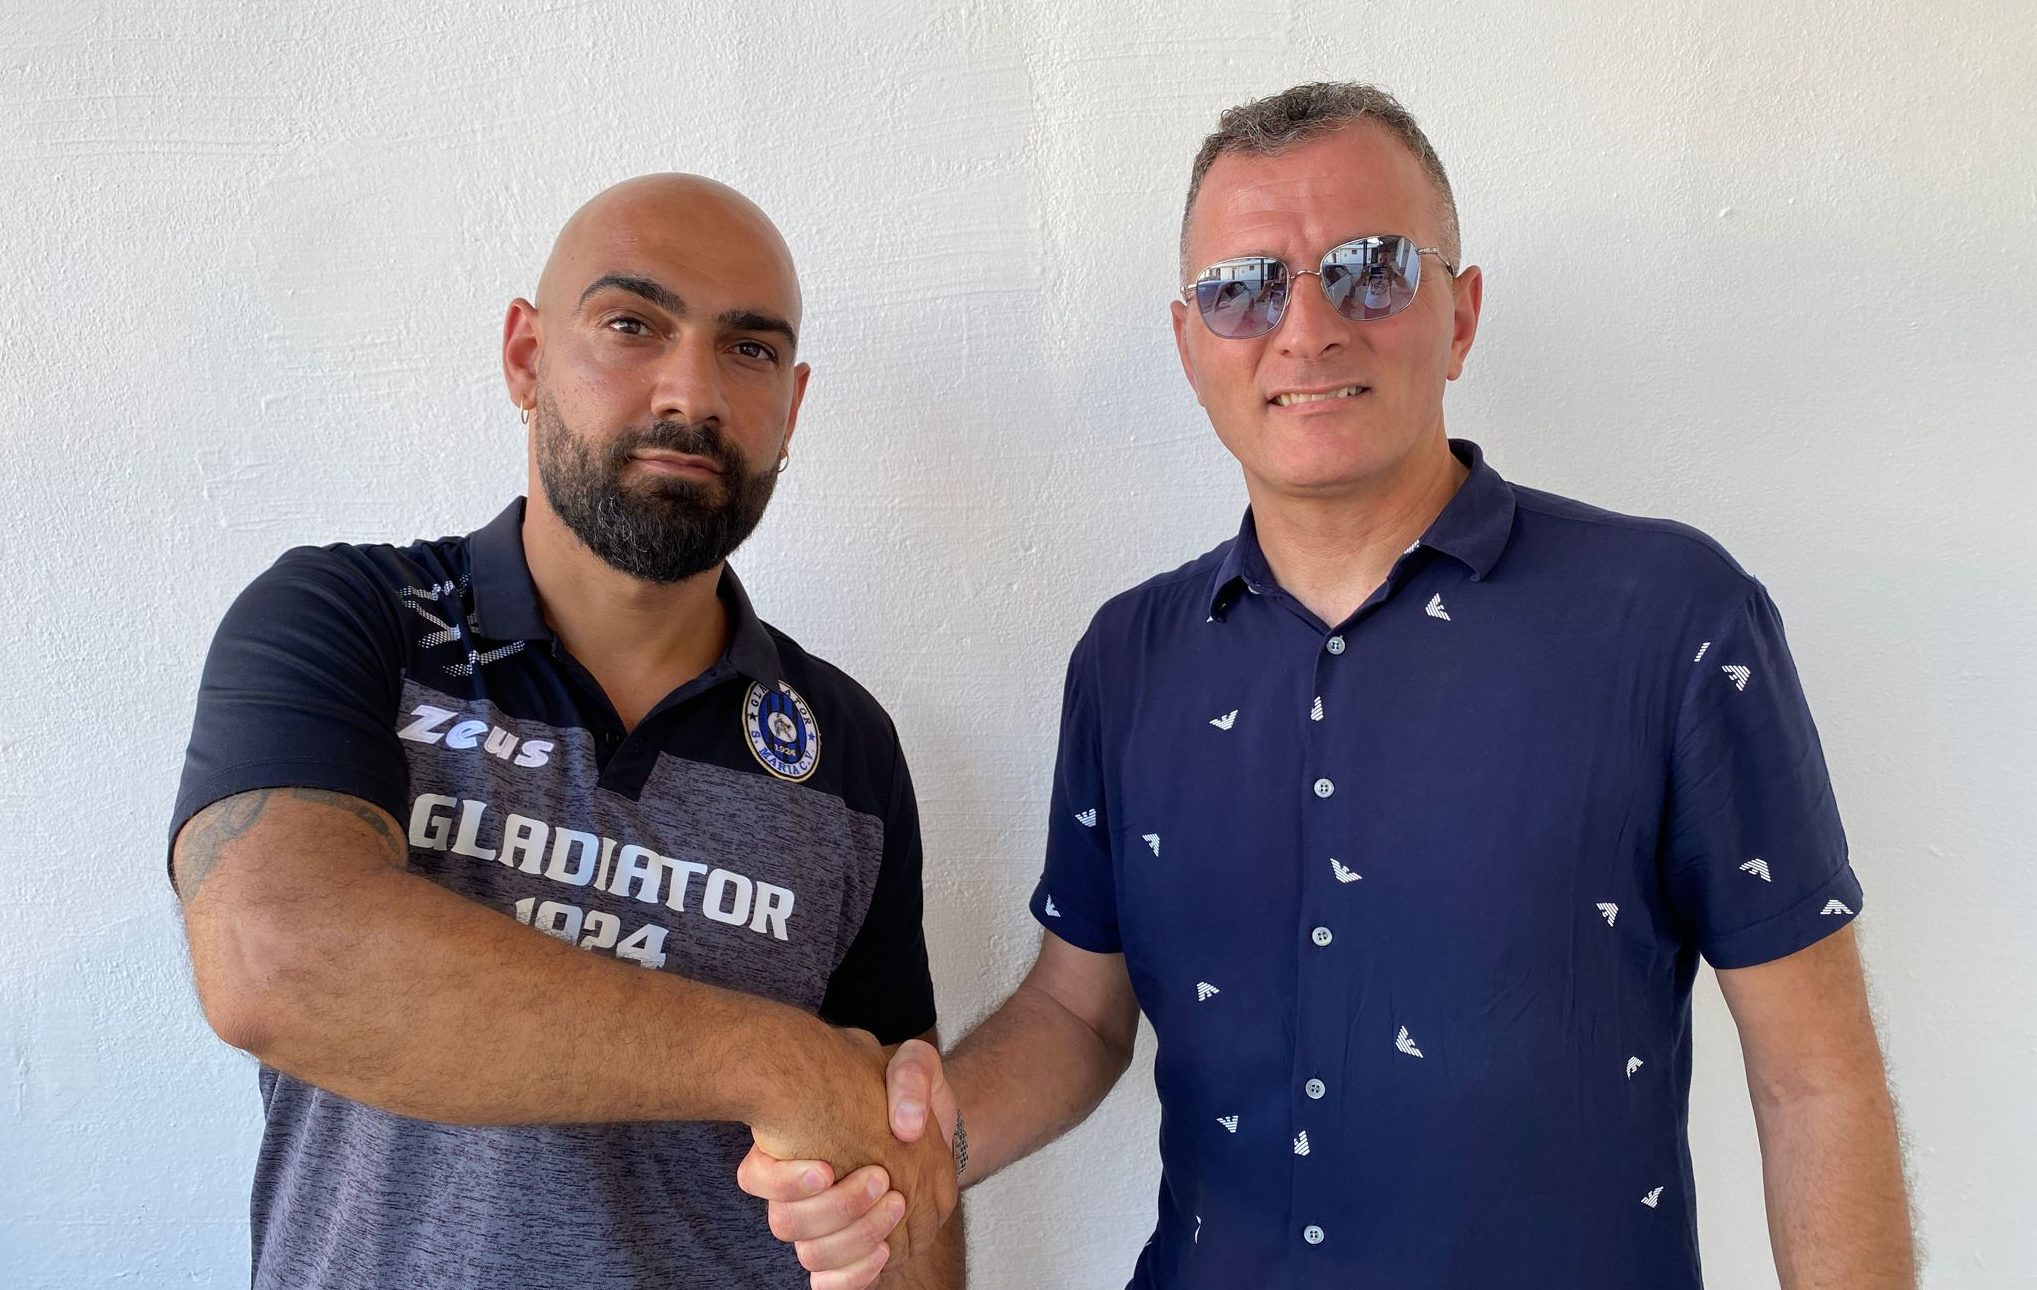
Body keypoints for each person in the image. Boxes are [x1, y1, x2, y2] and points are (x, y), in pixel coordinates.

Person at [739, 83, 1916, 1288]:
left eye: (1370, 271)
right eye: (1243, 289)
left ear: (1461, 315)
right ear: (1191, 345)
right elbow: (1079, 1013)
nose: (1306, 329)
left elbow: (1814, 1080)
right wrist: (918, 1146)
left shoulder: (1673, 619)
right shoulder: (1128, 659)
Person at [168, 174, 961, 1290]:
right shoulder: (350, 620)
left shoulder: (846, 747)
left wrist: (873, 1203)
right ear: (526, 357)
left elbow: (898, 1171)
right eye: (632, 325)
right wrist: (770, 1059)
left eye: (748, 349)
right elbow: (274, 957)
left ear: (791, 405)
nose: (691, 392)